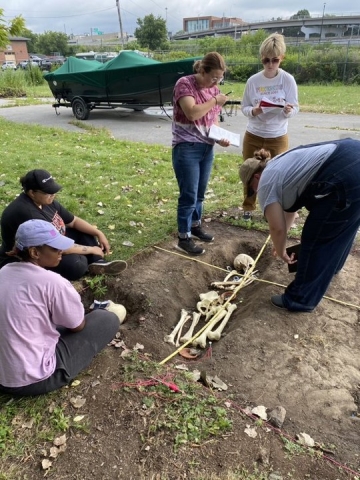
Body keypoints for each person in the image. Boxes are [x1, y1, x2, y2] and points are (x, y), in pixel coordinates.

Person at [0, 219, 125, 396]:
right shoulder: (53, 282)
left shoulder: (3, 272)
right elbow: (77, 326)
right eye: (54, 248)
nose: (61, 252)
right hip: (31, 379)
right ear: (34, 252)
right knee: (107, 319)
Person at [239, 137, 360, 312]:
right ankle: (334, 266)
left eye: (251, 188)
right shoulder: (278, 164)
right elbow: (289, 212)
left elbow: (276, 228)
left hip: (346, 176)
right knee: (342, 225)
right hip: (352, 155)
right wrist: (280, 242)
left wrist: (281, 250)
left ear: (256, 177)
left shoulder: (266, 182)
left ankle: (300, 299)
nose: (254, 192)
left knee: (316, 237)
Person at [0, 169, 127, 280]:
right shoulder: (27, 213)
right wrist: (91, 249)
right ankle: (90, 261)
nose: (53, 195)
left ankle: (98, 263)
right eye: (48, 192)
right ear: (32, 192)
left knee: (83, 231)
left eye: (53, 191)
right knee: (76, 263)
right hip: (30, 257)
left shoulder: (46, 201)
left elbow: (73, 221)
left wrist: (98, 233)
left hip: (50, 244)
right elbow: (52, 245)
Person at [172, 51, 230, 256]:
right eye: (213, 77)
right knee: (188, 194)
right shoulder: (184, 84)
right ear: (202, 70)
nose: (216, 82)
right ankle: (183, 237)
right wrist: (216, 101)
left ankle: (195, 226)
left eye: (220, 79)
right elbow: (192, 112)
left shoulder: (213, 89)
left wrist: (219, 137)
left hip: (207, 147)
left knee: (199, 193)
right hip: (186, 146)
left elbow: (212, 120)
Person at [240, 33, 299, 221]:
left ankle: (271, 211)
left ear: (281, 58)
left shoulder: (287, 80)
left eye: (275, 60)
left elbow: (295, 106)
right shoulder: (253, 81)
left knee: (276, 175)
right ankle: (248, 208)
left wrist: (289, 110)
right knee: (251, 172)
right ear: (261, 59)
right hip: (254, 133)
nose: (270, 64)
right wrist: (254, 111)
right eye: (266, 60)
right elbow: (244, 107)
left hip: (277, 135)